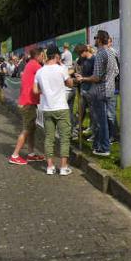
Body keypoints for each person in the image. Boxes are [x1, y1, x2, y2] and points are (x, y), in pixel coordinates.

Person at [75, 30, 118, 157]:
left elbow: (96, 77)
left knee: (100, 121)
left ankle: (104, 148)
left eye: (95, 38)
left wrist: (82, 79)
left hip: (100, 91)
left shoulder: (100, 54)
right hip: (109, 89)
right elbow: (116, 71)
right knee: (104, 119)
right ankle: (100, 145)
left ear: (99, 39)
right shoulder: (111, 52)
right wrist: (108, 80)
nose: (94, 40)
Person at [34, 46, 74, 175]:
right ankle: (63, 167)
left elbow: (35, 90)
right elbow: (70, 84)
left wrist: (45, 91)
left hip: (47, 108)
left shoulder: (40, 71)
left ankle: (50, 166)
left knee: (49, 138)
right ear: (56, 56)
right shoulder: (61, 69)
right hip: (61, 107)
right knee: (64, 138)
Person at [8, 48, 45, 165]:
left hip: (28, 102)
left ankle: (30, 153)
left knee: (31, 129)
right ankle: (15, 155)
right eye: (42, 55)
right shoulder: (35, 65)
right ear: (38, 55)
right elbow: (47, 73)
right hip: (28, 102)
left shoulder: (30, 64)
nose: (43, 57)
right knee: (27, 129)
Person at [75, 44, 96, 141]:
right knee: (81, 112)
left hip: (91, 90)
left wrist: (83, 78)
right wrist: (78, 75)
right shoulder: (82, 59)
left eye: (79, 54)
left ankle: (95, 134)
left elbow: (95, 77)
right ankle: (77, 131)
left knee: (93, 114)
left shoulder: (93, 60)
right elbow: (77, 66)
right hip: (83, 89)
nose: (79, 56)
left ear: (84, 51)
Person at [107, 37, 120, 143]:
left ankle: (114, 135)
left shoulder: (112, 53)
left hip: (113, 87)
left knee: (111, 113)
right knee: (109, 112)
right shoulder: (107, 52)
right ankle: (111, 134)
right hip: (109, 86)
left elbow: (116, 71)